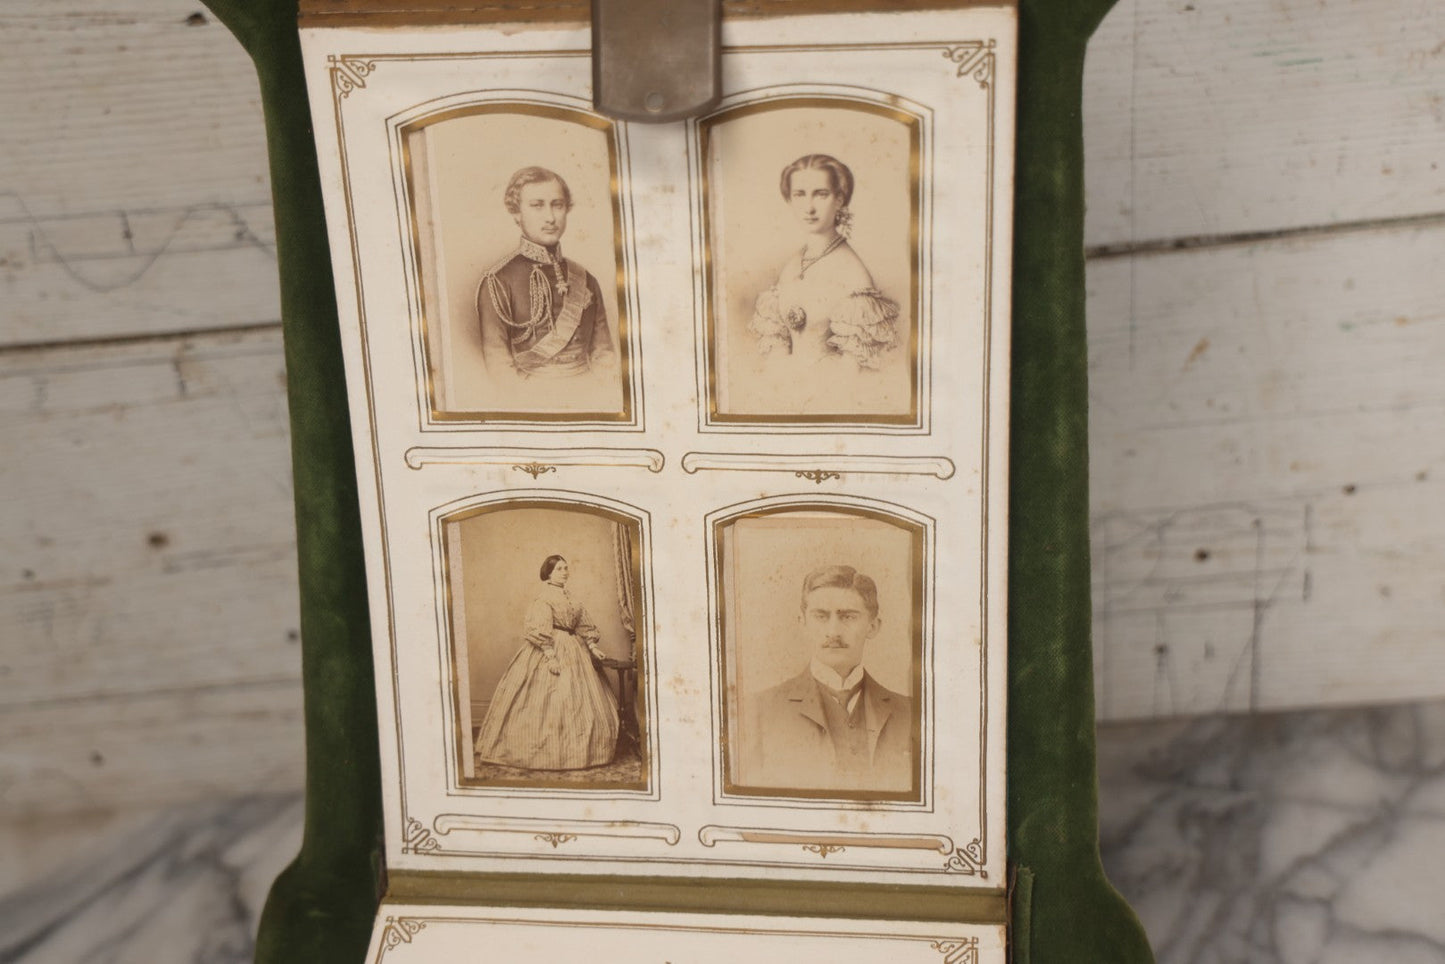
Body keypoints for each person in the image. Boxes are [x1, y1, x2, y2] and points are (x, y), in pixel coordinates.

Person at [737, 564, 915, 794]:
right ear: (803, 623)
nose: (833, 631)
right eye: (821, 616)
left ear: (873, 626)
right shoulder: (756, 711)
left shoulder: (911, 712)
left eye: (848, 616)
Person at [747, 154, 900, 373]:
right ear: (789, 200)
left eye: (820, 194)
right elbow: (777, 354)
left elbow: (851, 374)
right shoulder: (792, 265)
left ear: (839, 199)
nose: (808, 207)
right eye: (799, 195)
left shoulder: (853, 274)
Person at [474, 554, 620, 770]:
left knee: (579, 702)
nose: (565, 572)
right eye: (560, 568)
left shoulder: (572, 598)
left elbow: (582, 624)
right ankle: (542, 753)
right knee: (549, 698)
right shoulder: (544, 598)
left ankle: (578, 753)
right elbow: (540, 629)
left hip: (574, 648)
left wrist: (592, 647)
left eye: (566, 568)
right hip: (551, 647)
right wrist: (550, 656)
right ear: (549, 573)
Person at [476, 167, 616, 380]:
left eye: (557, 205)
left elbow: (605, 357)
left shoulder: (587, 279)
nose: (550, 217)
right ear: (516, 213)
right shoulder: (498, 282)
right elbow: (500, 370)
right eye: (537, 206)